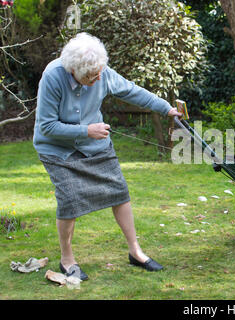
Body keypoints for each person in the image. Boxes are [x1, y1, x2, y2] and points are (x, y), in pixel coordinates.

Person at [33, 32, 183, 280]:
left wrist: (165, 108)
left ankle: (135, 252)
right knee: (69, 200)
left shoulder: (99, 70)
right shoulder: (53, 76)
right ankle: (67, 258)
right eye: (91, 77)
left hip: (95, 146)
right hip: (58, 149)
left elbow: (132, 91)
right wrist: (86, 131)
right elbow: (46, 126)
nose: (98, 78)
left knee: (119, 191)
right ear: (74, 70)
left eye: (99, 73)